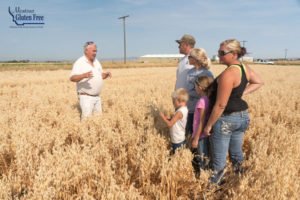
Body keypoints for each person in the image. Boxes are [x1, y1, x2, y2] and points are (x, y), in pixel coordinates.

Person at [203, 39, 264, 185]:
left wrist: (209, 125)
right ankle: (241, 184)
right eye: (219, 52)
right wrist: (241, 93)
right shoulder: (244, 68)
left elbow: (220, 105)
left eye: (222, 53)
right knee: (237, 154)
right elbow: (259, 81)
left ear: (234, 54)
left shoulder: (228, 74)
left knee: (219, 160)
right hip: (242, 117)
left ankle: (215, 190)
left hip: (226, 119)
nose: (218, 55)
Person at [70, 41, 112, 120]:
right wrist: (83, 75)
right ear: (86, 51)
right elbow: (72, 78)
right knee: (87, 121)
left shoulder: (96, 61)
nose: (95, 53)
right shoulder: (80, 62)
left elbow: (100, 75)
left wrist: (105, 75)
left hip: (97, 97)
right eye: (93, 51)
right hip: (86, 97)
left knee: (98, 120)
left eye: (96, 51)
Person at [186, 48, 214, 136]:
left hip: (201, 110)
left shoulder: (207, 73)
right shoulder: (189, 72)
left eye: (189, 56)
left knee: (200, 134)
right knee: (190, 132)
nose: (188, 58)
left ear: (195, 59)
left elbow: (211, 92)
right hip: (189, 108)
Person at [191, 75, 214, 174]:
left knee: (202, 158)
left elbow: (201, 121)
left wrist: (196, 139)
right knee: (207, 157)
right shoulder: (209, 99)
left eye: (195, 86)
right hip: (206, 134)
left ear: (200, 87)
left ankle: (204, 178)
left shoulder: (202, 101)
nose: (194, 88)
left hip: (201, 136)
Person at [159, 88, 189, 154]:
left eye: (173, 101)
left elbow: (170, 124)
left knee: (178, 156)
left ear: (179, 100)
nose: (173, 104)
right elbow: (178, 120)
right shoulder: (184, 109)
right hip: (180, 137)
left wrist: (163, 117)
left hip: (177, 139)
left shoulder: (179, 112)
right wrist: (171, 118)